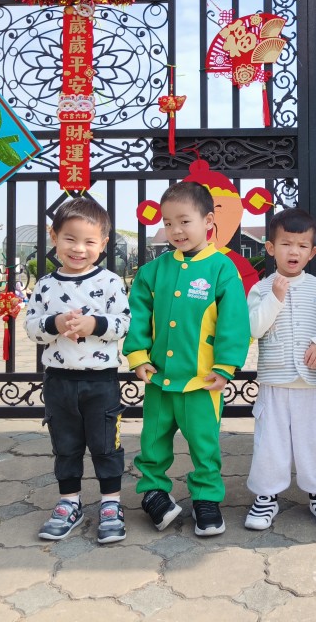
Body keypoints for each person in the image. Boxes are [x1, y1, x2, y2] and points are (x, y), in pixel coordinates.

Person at [124, 181, 250, 537]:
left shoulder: (222, 268)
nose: (175, 230)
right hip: (159, 380)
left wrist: (225, 366)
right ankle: (153, 493)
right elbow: (138, 315)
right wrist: (138, 355)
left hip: (202, 381)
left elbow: (234, 322)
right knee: (152, 442)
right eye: (168, 223)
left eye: (184, 221)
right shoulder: (153, 271)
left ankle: (206, 499)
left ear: (208, 221)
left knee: (204, 444)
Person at [24, 197, 131, 544]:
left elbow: (124, 323)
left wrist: (94, 324)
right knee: (65, 444)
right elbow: (31, 327)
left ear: (103, 244)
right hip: (59, 380)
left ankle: (111, 503)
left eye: (89, 241)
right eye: (70, 239)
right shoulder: (45, 285)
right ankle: (69, 502)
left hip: (101, 381)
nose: (79, 249)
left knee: (106, 444)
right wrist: (55, 323)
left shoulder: (111, 282)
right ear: (54, 237)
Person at [244, 208, 316, 531]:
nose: (293, 252)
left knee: (314, 440)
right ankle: (266, 495)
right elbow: (254, 328)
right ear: (271, 248)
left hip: (312, 382)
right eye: (286, 244)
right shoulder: (261, 289)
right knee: (269, 442)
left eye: (302, 246)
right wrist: (274, 298)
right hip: (274, 382)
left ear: (312, 252)